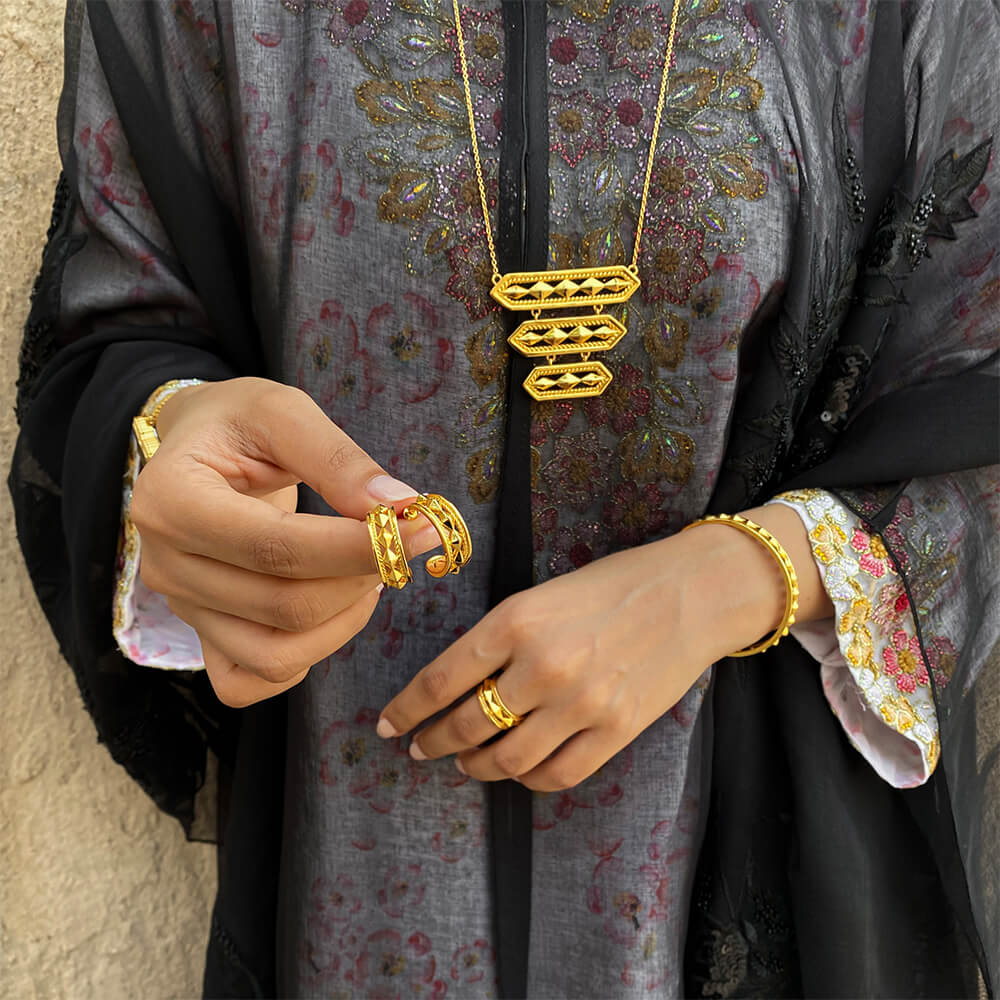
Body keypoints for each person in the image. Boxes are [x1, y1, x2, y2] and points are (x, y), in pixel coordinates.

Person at [10, 0, 999, 996]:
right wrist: (177, 445)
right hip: (354, 838)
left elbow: (974, 394)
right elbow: (118, 316)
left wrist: (737, 578)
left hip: (752, 827)